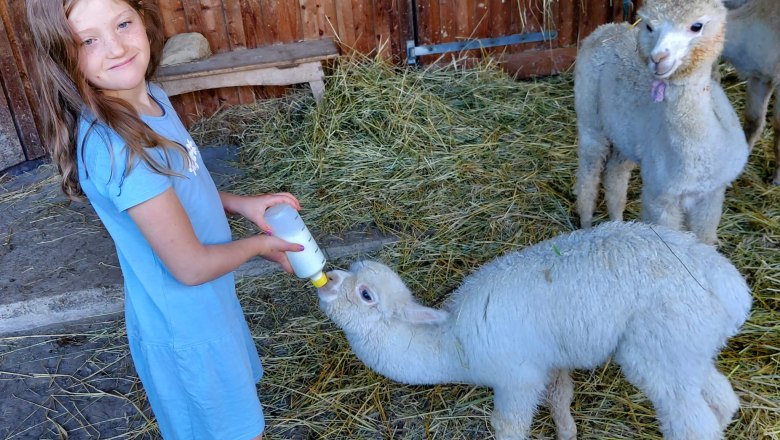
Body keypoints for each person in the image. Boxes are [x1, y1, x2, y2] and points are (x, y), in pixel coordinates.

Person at [26, 0, 304, 438]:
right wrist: (262, 246)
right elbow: (190, 266)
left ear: (143, 18)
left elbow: (186, 183)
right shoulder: (121, 150)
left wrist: (241, 204)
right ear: (61, 54)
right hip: (186, 326)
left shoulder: (149, 96)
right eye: (88, 40)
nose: (116, 48)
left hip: (210, 306)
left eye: (122, 23)